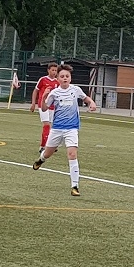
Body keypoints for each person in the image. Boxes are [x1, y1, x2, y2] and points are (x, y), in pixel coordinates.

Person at [32, 64, 97, 196]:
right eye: (62, 76)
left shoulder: (75, 90)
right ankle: (41, 159)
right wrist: (44, 97)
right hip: (57, 129)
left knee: (72, 154)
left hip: (72, 129)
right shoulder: (54, 93)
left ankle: (75, 186)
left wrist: (92, 103)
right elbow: (44, 108)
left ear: (70, 78)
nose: (65, 78)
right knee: (47, 153)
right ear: (58, 79)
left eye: (67, 76)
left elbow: (85, 98)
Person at [29, 63, 60, 154]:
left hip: (52, 107)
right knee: (46, 125)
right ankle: (43, 146)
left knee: (51, 127)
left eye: (55, 70)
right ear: (48, 70)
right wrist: (33, 103)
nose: (54, 72)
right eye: (52, 70)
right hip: (42, 105)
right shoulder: (43, 79)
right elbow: (36, 91)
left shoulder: (57, 82)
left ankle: (49, 145)